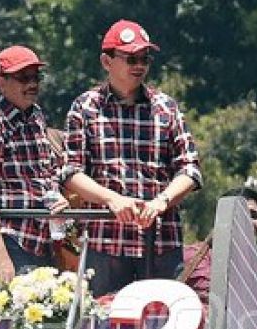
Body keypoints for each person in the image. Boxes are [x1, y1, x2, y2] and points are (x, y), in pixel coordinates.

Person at [61, 19, 202, 296]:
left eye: (145, 58)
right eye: (131, 58)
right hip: (106, 243)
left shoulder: (166, 107)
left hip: (161, 242)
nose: (140, 65)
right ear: (106, 61)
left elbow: (191, 169)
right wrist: (112, 200)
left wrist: (162, 202)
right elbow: (70, 172)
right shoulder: (85, 107)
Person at [0, 45, 69, 283]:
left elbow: (47, 172)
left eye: (35, 77)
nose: (32, 84)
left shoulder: (36, 116)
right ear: (1, 81)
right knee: (13, 319)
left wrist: (56, 196)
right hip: (10, 242)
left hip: (41, 240)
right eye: (23, 77)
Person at [179, 186, 257, 329]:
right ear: (222, 219)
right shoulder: (189, 258)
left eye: (254, 215)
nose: (248, 221)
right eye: (241, 214)